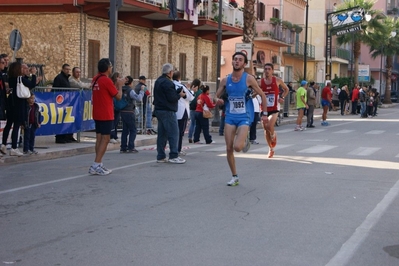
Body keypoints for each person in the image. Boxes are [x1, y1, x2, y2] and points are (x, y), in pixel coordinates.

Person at [215, 51, 268, 186]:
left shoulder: (248, 78)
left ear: (244, 64)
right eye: (235, 59)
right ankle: (234, 176)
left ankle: (245, 140)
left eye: (240, 60)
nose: (237, 61)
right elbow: (216, 96)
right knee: (228, 148)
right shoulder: (226, 80)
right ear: (232, 62)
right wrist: (218, 100)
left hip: (244, 116)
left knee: (238, 147)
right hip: (230, 117)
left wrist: (265, 114)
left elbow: (262, 95)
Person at [89, 58, 124, 175]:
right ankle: (96, 164)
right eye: (111, 67)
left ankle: (98, 163)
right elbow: (118, 96)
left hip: (97, 112)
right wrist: (119, 85)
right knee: (106, 139)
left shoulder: (96, 78)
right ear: (108, 68)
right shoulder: (106, 80)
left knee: (99, 138)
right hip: (105, 113)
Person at [1, 62, 37, 157]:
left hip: (11, 102)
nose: (24, 70)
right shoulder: (20, 78)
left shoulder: (11, 78)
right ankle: (14, 148)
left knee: (9, 124)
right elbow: (32, 84)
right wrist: (33, 74)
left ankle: (3, 144)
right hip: (19, 103)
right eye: (22, 68)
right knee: (16, 125)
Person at [153, 63, 186, 164]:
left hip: (159, 110)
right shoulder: (168, 83)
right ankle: (173, 155)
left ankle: (161, 156)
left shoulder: (158, 81)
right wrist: (179, 94)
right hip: (168, 111)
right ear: (170, 72)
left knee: (162, 134)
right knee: (173, 133)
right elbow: (172, 98)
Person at [259, 63, 289, 157]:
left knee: (270, 125)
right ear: (264, 70)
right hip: (263, 108)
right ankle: (270, 148)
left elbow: (286, 89)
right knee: (265, 128)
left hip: (274, 108)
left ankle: (273, 134)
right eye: (266, 69)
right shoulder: (260, 82)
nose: (267, 70)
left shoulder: (277, 80)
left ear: (272, 70)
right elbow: (255, 91)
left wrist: (282, 97)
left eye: (269, 69)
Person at [119, 76, 144, 153]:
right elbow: (139, 98)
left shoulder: (121, 89)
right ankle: (131, 146)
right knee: (133, 129)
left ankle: (123, 147)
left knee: (125, 130)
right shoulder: (130, 91)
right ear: (131, 83)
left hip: (122, 111)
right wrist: (142, 91)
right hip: (129, 111)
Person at [173, 71, 194, 156]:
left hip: (173, 110)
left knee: (173, 131)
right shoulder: (181, 86)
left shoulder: (171, 85)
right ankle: (178, 149)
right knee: (180, 132)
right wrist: (190, 90)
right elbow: (190, 97)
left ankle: (173, 148)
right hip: (182, 111)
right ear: (179, 77)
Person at [53, 63, 74, 144]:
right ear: (62, 69)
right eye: (66, 69)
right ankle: (59, 137)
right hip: (60, 103)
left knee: (65, 120)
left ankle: (66, 136)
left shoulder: (66, 78)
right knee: (60, 120)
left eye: (69, 69)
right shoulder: (59, 78)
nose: (68, 71)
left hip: (66, 102)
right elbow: (56, 90)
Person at [187, 79, 202, 143]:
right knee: (197, 124)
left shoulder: (190, 90)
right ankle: (195, 137)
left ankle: (189, 136)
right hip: (197, 109)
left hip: (191, 108)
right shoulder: (200, 92)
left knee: (192, 123)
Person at [110, 72, 122, 144]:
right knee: (112, 122)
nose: (120, 79)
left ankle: (115, 135)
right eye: (119, 77)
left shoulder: (119, 86)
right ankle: (111, 136)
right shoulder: (112, 85)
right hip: (112, 105)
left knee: (116, 121)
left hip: (117, 106)